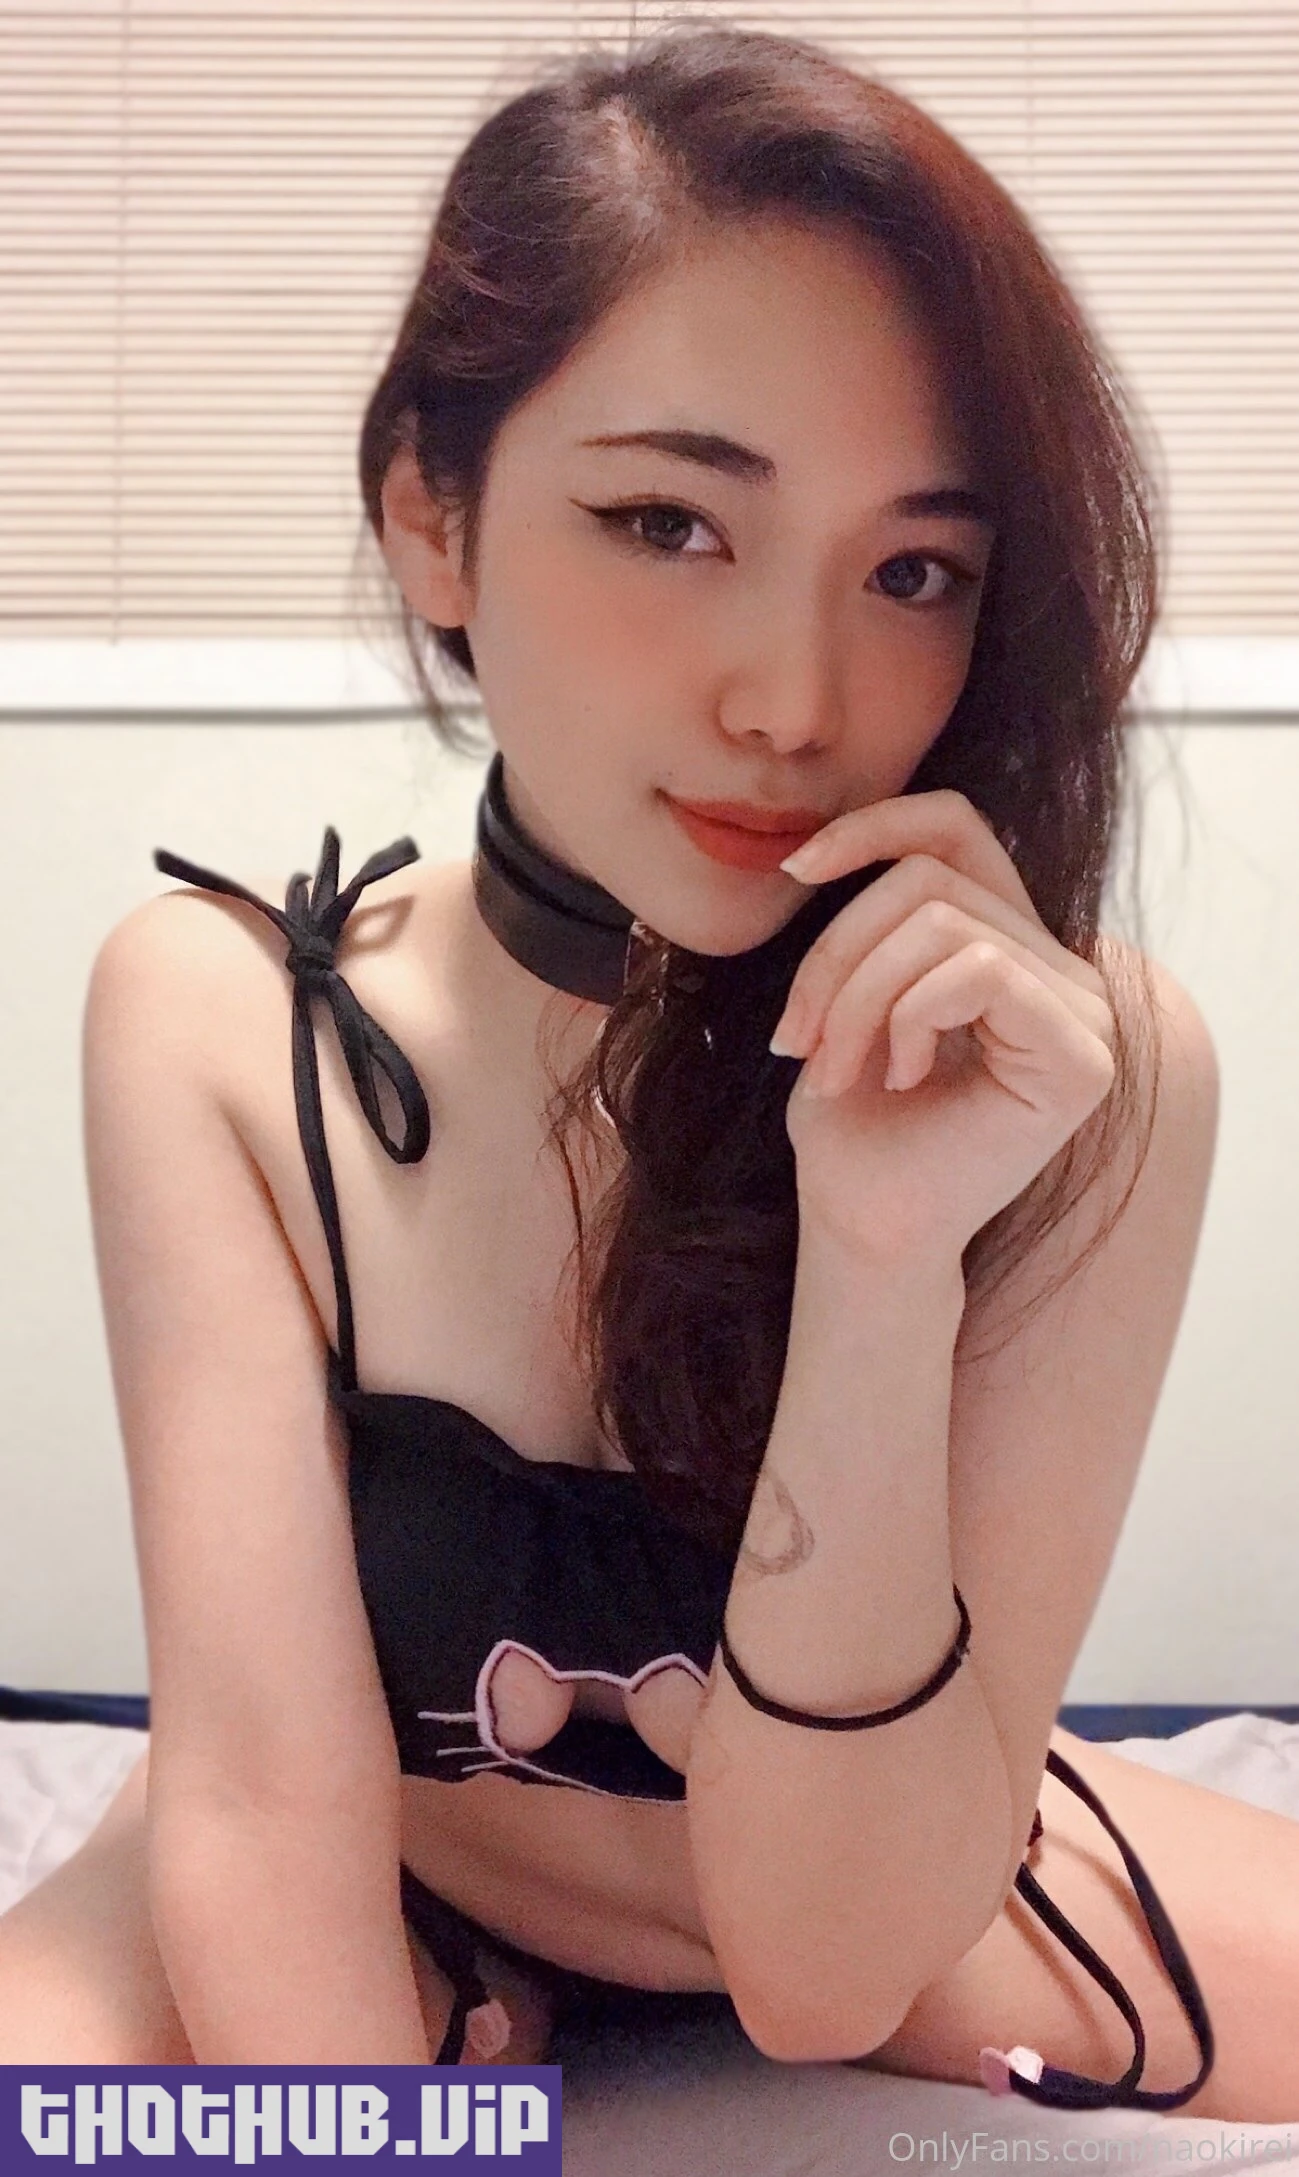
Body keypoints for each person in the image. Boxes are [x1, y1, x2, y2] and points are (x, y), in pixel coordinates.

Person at [1, 15, 1295, 2122]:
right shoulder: (228, 1020)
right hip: (368, 1861)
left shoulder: (1085, 1075)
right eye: (670, 524)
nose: (795, 699)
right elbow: (257, 1803)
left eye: (913, 571)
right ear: (433, 520)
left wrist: (882, 1256)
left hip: (873, 1887)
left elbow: (823, 1965)